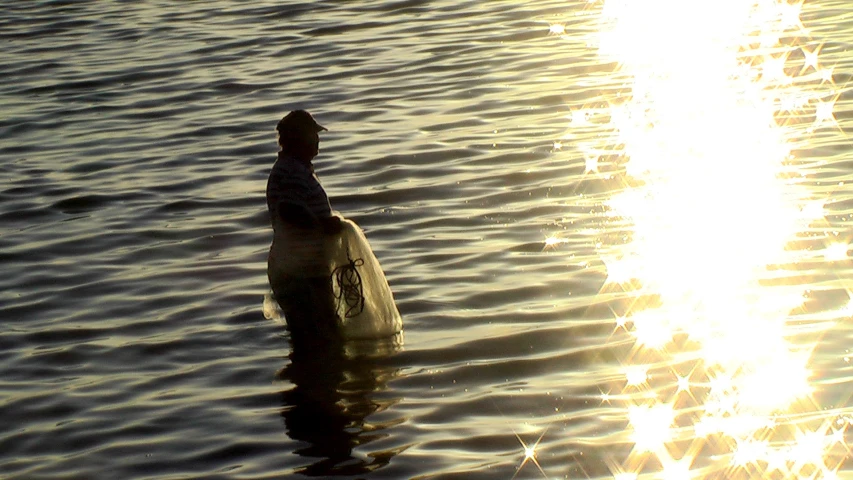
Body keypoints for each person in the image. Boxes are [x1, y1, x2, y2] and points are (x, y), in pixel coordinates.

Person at [267, 110, 343, 342]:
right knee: (317, 339)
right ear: (298, 139)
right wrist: (322, 225)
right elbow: (289, 211)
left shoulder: (297, 169)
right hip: (299, 275)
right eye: (313, 135)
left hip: (303, 271)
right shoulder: (290, 171)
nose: (318, 140)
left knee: (315, 341)